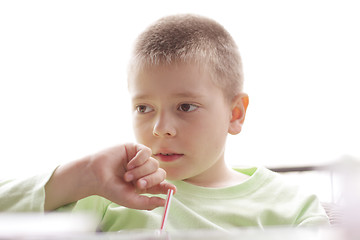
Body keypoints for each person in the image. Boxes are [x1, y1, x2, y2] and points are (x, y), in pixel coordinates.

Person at [0, 14, 329, 231]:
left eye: (185, 106)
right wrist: (82, 175)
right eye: (143, 108)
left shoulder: (293, 207)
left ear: (235, 113)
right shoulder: (105, 192)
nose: (160, 128)